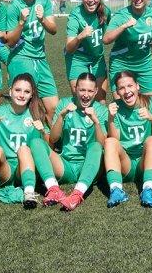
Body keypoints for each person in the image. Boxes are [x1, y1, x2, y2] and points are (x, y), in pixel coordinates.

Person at [30, 73, 108, 211]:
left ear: (96, 91)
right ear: (75, 89)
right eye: (82, 90)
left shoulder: (101, 110)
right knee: (36, 142)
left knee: (96, 146)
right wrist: (61, 116)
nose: (86, 95)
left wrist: (96, 121)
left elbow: (102, 145)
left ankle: (77, 194)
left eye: (90, 91)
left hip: (89, 166)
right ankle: (53, 189)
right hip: (66, 164)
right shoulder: (64, 103)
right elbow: (53, 139)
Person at [0, 73, 47, 210]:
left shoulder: (36, 113)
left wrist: (43, 132)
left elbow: (48, 148)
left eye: (26, 92)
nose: (21, 95)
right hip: (4, 168)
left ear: (32, 94)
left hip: (26, 167)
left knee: (24, 149)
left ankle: (29, 193)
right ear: (11, 91)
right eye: (18, 90)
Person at [104, 71, 152, 208]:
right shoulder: (115, 107)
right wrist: (111, 119)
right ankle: (116, 189)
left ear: (137, 86)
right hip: (126, 164)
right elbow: (115, 140)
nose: (127, 91)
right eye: (122, 88)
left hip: (149, 161)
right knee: (109, 142)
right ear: (117, 92)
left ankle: (148, 189)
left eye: (130, 86)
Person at [4, 0, 59, 121]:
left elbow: (54, 30)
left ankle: (48, 136)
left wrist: (42, 20)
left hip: (41, 58)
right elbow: (10, 42)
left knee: (54, 108)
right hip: (21, 58)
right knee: (27, 108)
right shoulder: (14, 6)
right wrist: (21, 22)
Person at [103, 0, 152, 98]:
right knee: (123, 105)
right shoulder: (121, 16)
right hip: (121, 63)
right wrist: (124, 26)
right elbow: (106, 39)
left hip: (145, 63)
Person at [64, 0, 111, 99]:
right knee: (81, 99)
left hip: (97, 58)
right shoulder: (75, 15)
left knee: (100, 100)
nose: (90, 0)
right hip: (77, 59)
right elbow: (69, 48)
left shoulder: (106, 11)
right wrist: (80, 36)